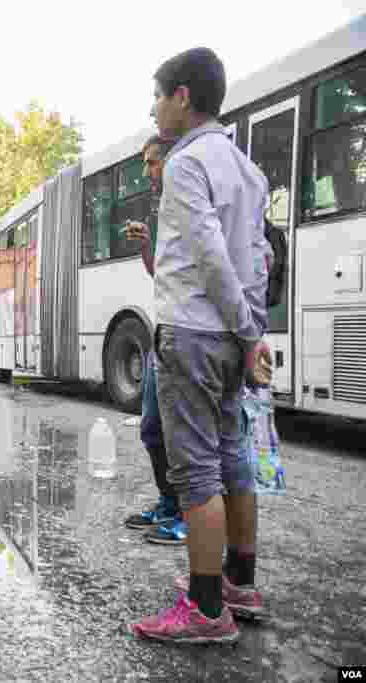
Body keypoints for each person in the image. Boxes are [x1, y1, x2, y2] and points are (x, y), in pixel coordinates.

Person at [131, 47, 273, 644]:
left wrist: (244, 330)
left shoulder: (187, 165)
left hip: (191, 332)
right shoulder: (248, 170)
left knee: (196, 473)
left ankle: (206, 607)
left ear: (183, 96)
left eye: (159, 94)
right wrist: (251, 333)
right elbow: (259, 262)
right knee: (233, 459)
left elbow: (212, 260)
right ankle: (239, 582)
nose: (155, 107)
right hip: (230, 337)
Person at [121, 135, 188, 545]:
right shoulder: (162, 208)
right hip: (163, 330)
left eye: (152, 163)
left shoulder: (192, 201)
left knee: (187, 436)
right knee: (151, 427)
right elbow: (159, 273)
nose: (147, 171)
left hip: (190, 333)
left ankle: (188, 515)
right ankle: (168, 503)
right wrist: (147, 245)